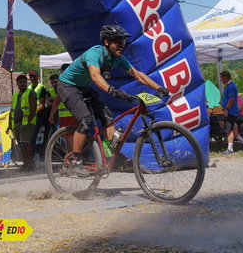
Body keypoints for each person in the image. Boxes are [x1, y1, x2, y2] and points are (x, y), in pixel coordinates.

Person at [57, 25, 169, 176]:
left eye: (123, 41)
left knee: (107, 116)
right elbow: (95, 76)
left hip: (82, 87)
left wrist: (159, 87)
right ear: (107, 42)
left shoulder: (117, 59)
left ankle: (115, 157)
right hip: (67, 85)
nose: (122, 45)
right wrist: (112, 90)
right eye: (118, 41)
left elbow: (137, 74)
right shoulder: (95, 53)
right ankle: (75, 161)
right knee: (86, 120)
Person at [7, 74, 37, 171]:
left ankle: (30, 164)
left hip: (27, 123)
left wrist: (29, 120)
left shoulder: (31, 93)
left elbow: (33, 107)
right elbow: (12, 110)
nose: (22, 84)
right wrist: (9, 125)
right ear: (17, 84)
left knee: (25, 143)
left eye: (24, 82)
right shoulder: (15, 95)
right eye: (20, 82)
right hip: (16, 124)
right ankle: (25, 164)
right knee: (21, 145)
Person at [28, 70, 50, 158]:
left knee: (35, 137)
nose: (32, 78)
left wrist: (33, 113)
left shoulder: (41, 88)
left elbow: (42, 105)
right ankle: (31, 156)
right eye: (31, 76)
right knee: (30, 137)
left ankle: (36, 155)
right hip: (30, 116)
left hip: (39, 116)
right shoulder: (28, 88)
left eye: (34, 76)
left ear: (38, 77)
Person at [220, 71, 240, 154]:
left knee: (229, 129)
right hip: (229, 110)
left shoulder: (231, 86)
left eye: (221, 78)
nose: (221, 80)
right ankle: (242, 142)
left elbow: (231, 99)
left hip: (231, 111)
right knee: (229, 129)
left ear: (225, 77)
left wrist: (227, 109)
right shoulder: (229, 85)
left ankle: (230, 149)